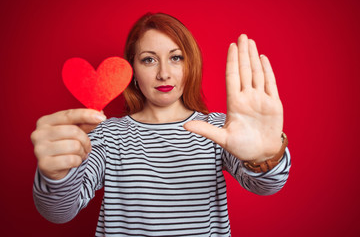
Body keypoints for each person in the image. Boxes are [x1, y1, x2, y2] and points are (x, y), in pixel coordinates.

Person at [31, 13, 291, 236]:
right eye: (149, 59)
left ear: (190, 65)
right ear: (132, 70)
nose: (164, 73)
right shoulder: (108, 135)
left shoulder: (220, 129)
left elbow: (265, 186)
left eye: (176, 57)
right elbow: (59, 212)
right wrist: (55, 177)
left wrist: (267, 156)